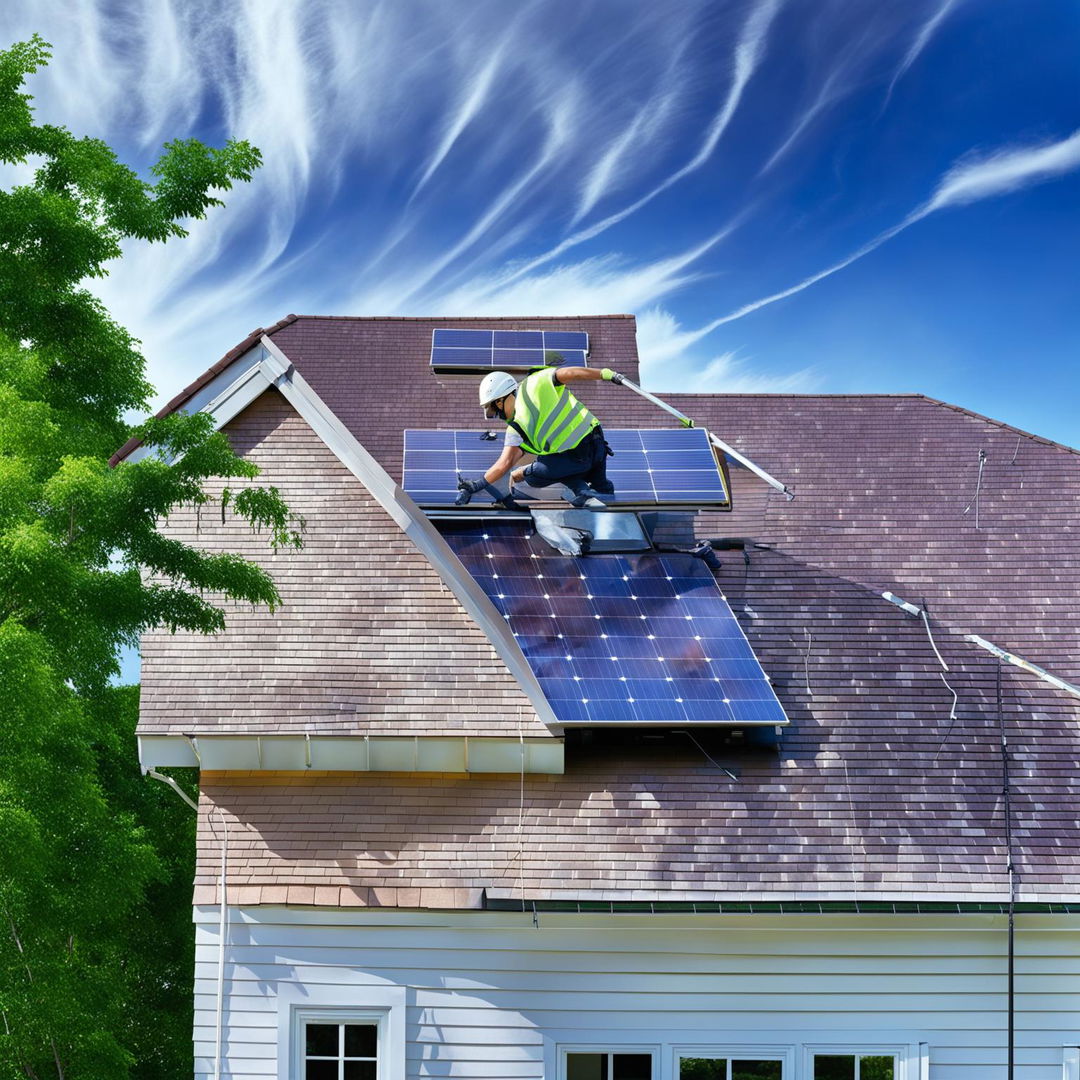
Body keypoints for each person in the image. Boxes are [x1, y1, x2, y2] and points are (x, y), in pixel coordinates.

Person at [458, 365, 626, 509]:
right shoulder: (516, 426)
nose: (498, 416)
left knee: (535, 475)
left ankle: (579, 488)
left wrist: (605, 374)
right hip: (597, 447)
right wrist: (476, 485)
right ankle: (586, 491)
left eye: (493, 410)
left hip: (576, 456)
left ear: (501, 400)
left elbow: (570, 373)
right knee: (601, 492)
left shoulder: (533, 385)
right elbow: (503, 464)